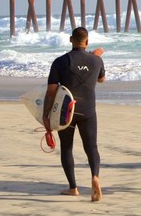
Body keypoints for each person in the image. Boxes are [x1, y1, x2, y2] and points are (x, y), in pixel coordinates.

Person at [43, 26, 106, 202]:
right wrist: (95, 57)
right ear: (87, 42)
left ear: (71, 40)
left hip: (67, 112)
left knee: (67, 147)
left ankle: (73, 188)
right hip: (88, 111)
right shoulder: (97, 61)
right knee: (91, 148)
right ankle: (95, 176)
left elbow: (51, 91)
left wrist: (46, 114)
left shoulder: (60, 61)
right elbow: (101, 79)